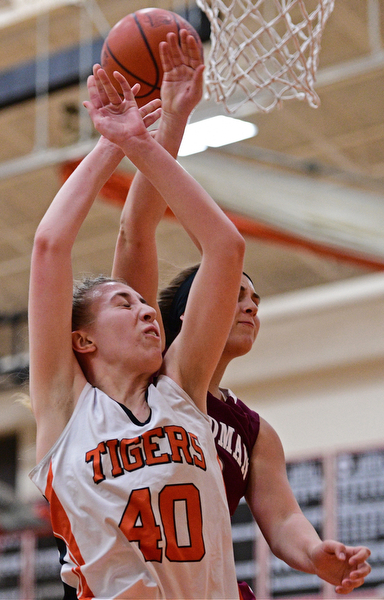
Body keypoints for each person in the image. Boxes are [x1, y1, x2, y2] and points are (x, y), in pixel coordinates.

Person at [111, 31, 372, 599]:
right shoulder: (143, 376)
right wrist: (171, 119)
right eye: (234, 294)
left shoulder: (253, 431)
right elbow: (136, 236)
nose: (250, 303)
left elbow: (281, 520)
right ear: (185, 316)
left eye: (256, 299)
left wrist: (313, 553)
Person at [28, 32, 246, 600]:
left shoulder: (182, 390)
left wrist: (143, 143)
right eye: (125, 303)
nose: (149, 309)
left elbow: (224, 249)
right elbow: (51, 245)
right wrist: (110, 145)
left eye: (147, 303)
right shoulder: (65, 408)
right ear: (82, 340)